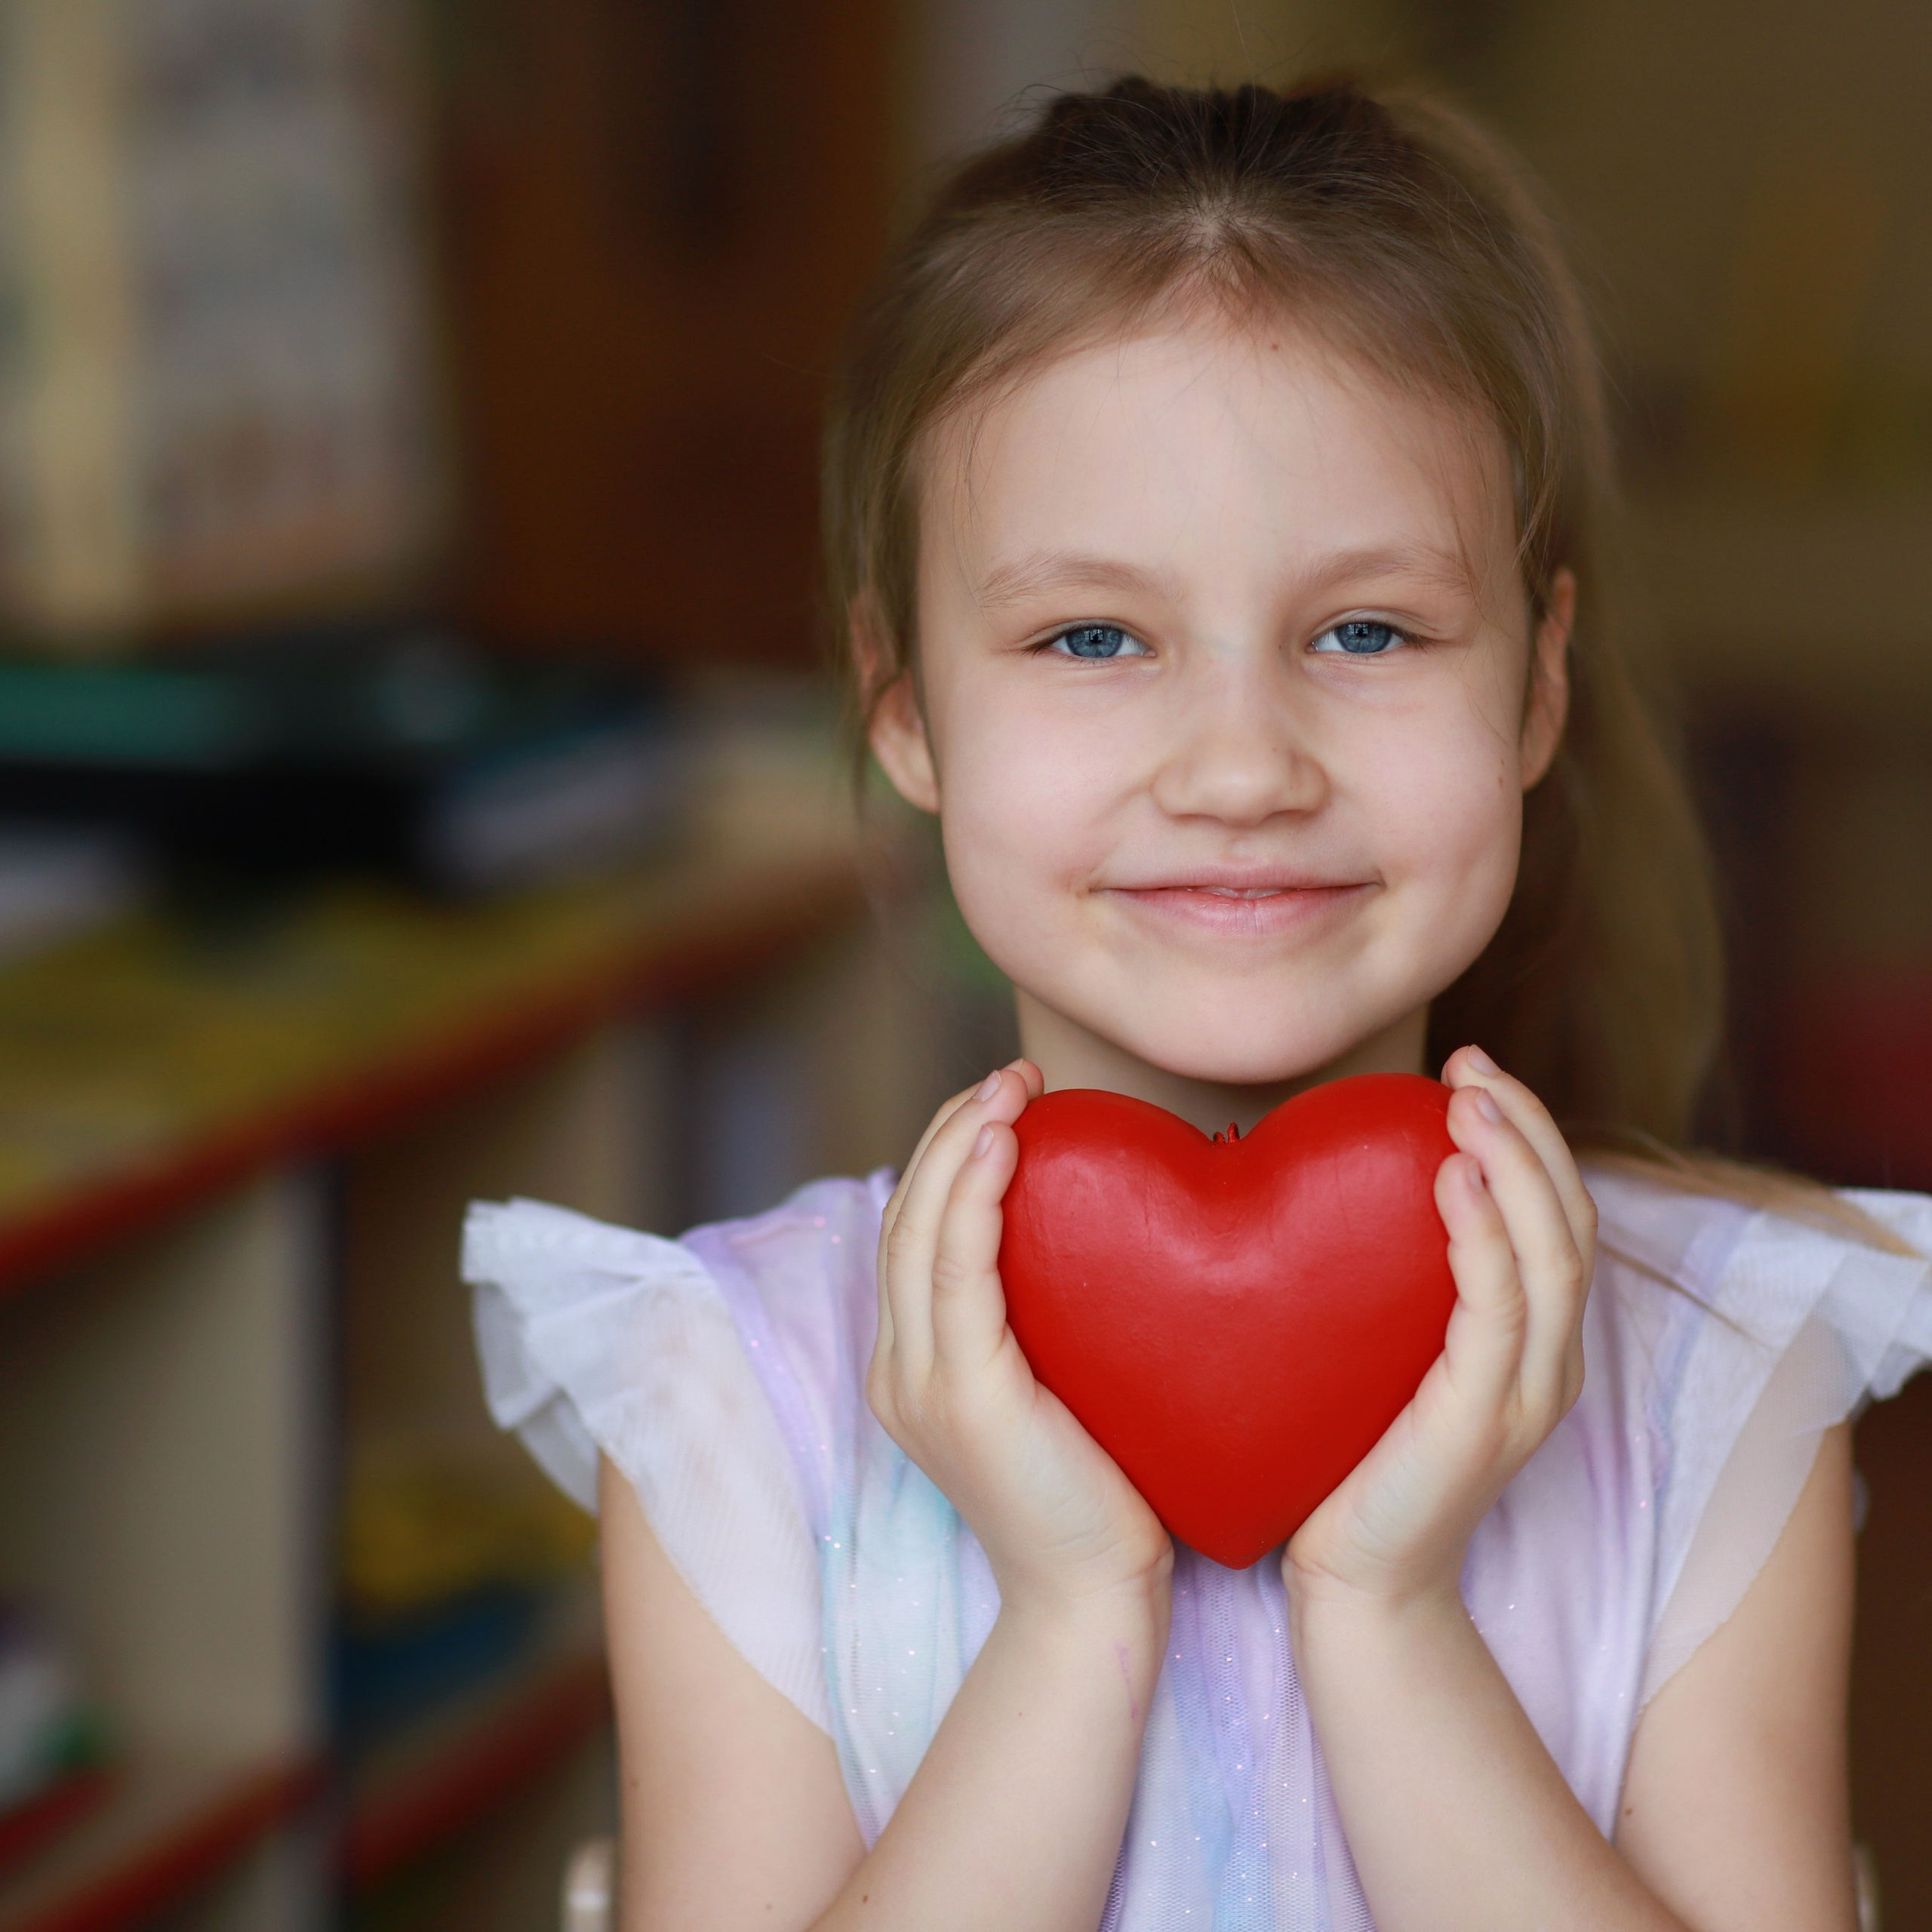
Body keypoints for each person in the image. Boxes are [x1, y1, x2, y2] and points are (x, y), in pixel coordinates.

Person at [466, 78, 1932, 1932]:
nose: (1240, 764)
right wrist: (1075, 1611)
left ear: (1534, 688)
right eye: (1092, 637)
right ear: (902, 702)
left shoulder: (1724, 1367)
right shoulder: (734, 1392)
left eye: (1366, 631)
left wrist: (1384, 1607)